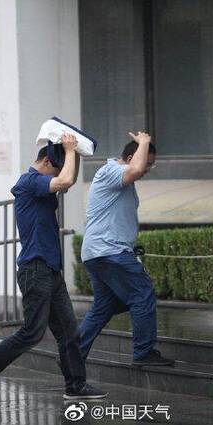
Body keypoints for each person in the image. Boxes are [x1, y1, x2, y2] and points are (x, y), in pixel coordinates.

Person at [0, 133, 107, 403]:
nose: (57, 176)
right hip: (35, 269)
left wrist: (73, 152)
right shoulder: (29, 181)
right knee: (32, 331)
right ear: (45, 162)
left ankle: (75, 386)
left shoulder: (42, 183)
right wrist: (67, 150)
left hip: (50, 271)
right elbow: (64, 180)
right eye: (55, 168)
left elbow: (67, 181)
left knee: (68, 331)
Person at [77, 131, 174, 367]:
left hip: (101, 252)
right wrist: (145, 142)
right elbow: (136, 170)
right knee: (142, 294)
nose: (148, 169)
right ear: (131, 157)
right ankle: (144, 352)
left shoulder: (120, 179)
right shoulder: (111, 171)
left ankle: (72, 355)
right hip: (110, 252)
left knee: (105, 306)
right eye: (148, 162)